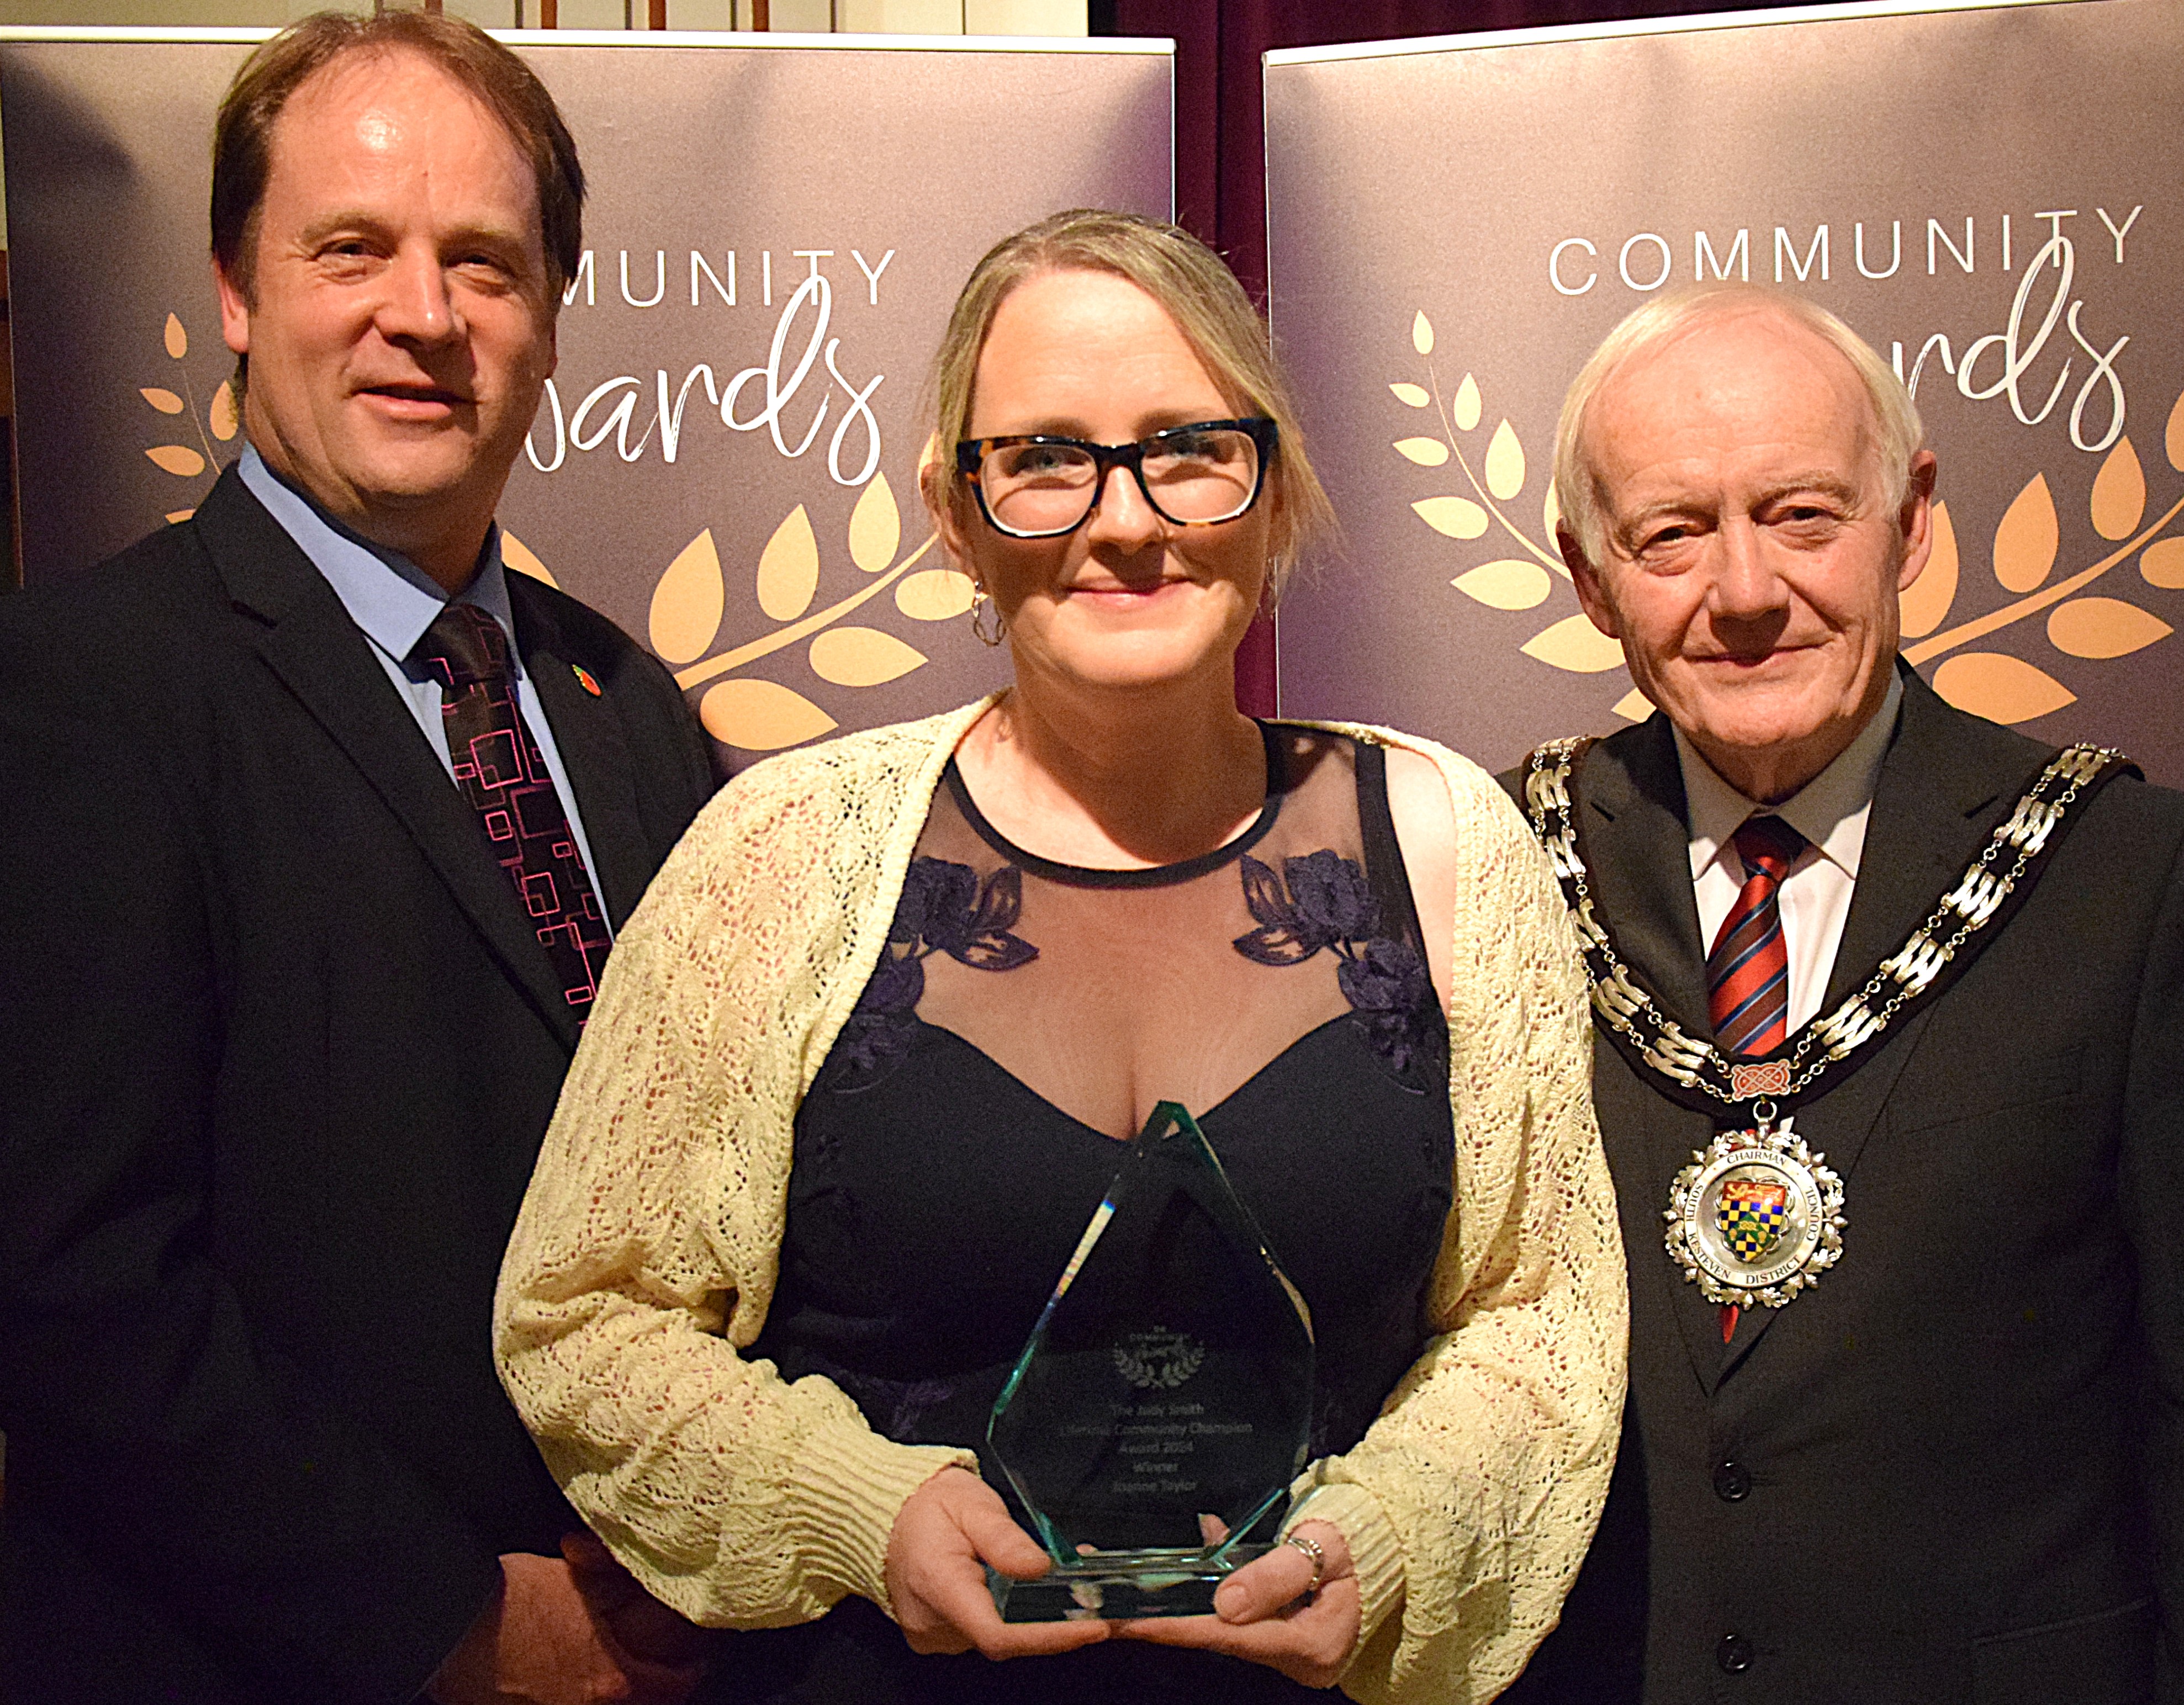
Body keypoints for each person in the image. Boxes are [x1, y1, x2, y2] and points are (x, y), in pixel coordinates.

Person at [494, 209, 1624, 1705]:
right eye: (1042, 458)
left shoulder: (1449, 846)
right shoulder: (778, 857)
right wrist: (855, 1506)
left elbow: (1536, 1314)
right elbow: (585, 1315)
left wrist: (1392, 1538)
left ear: (1268, 485)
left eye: (1185, 446)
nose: (1124, 518)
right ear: (952, 511)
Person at [0, 14, 718, 1704]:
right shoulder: (75, 694)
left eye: (485, 262)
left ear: (545, 322)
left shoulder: (629, 703)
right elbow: (72, 1282)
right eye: (352, 249)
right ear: (236, 293)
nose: (423, 314)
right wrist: (451, 1625)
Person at [1498, 284, 2184, 1704]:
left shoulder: (2132, 878)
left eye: (1803, 514)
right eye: (1672, 534)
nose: (1746, 593)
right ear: (1588, 572)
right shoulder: (1491, 870)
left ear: (1912, 518)